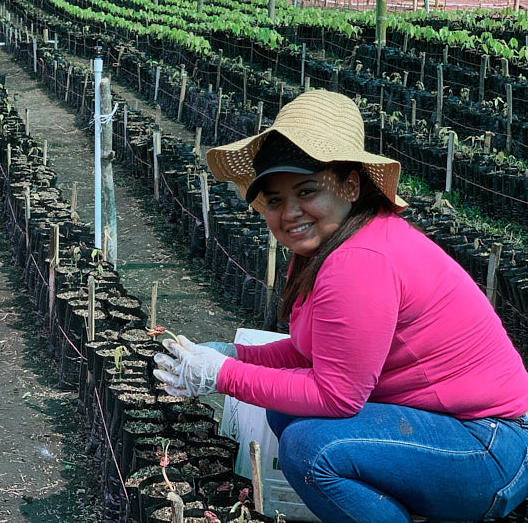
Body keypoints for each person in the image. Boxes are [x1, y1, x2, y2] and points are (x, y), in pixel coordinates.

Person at [153, 89, 528, 522]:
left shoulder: (361, 261)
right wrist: (236, 356)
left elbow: (337, 397)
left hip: (489, 446)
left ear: (351, 185)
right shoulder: (322, 251)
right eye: (274, 200)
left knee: (313, 450)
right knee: (287, 411)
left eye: (307, 190)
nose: (289, 212)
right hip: (447, 429)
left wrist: (223, 376)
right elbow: (312, 353)